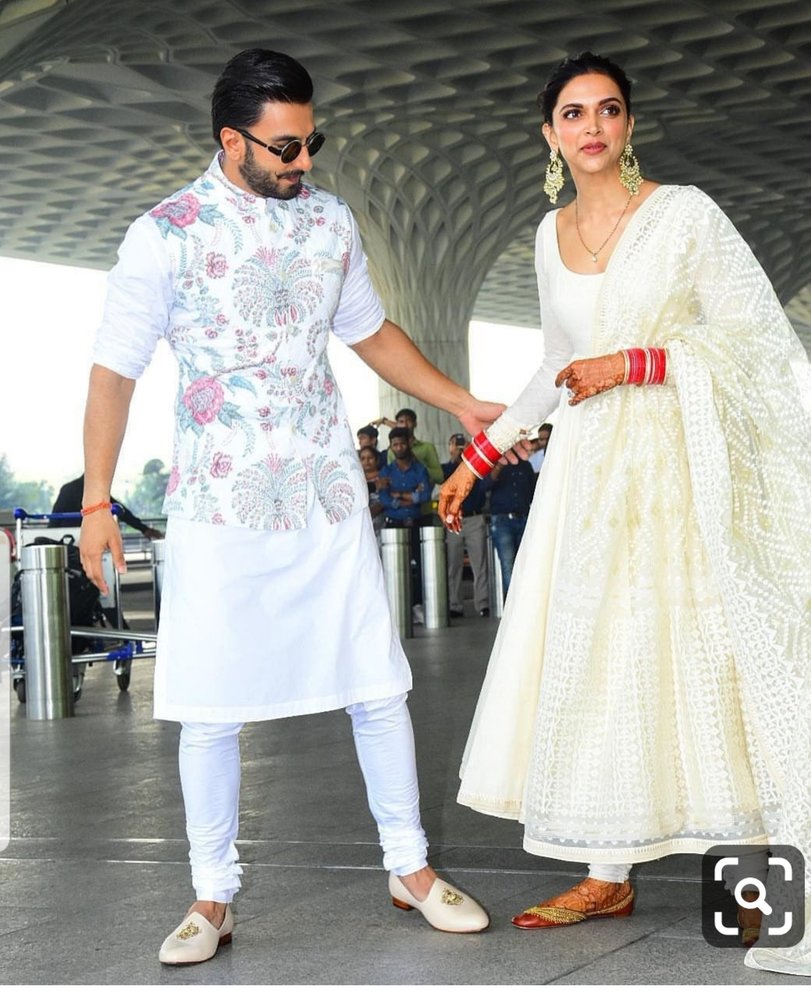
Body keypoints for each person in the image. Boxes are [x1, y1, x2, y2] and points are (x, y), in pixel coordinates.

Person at [78, 48, 496, 965]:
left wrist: (458, 401)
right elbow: (114, 371)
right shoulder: (165, 233)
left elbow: (369, 332)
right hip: (217, 499)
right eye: (286, 147)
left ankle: (409, 868)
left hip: (324, 492)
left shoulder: (330, 221)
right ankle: (211, 897)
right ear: (232, 141)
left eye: (312, 143)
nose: (304, 162)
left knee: (377, 684)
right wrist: (97, 500)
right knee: (209, 706)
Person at [439, 51, 811, 974]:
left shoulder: (683, 215)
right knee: (603, 656)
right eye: (573, 113)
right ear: (549, 134)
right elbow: (554, 363)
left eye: (608, 110)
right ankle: (606, 871)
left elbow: (755, 344)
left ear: (629, 125)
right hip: (591, 482)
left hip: (683, 471)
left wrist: (638, 363)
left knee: (707, 656)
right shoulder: (547, 233)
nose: (592, 127)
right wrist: (478, 458)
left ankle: (751, 885)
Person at [379, 427, 432, 622]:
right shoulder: (386, 471)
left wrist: (398, 495)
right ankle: (396, 608)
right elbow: (384, 498)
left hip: (415, 523)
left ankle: (417, 605)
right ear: (391, 447)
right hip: (393, 525)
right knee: (393, 568)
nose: (399, 448)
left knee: (419, 566)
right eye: (395, 445)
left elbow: (425, 496)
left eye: (402, 443)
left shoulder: (420, 469)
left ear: (408, 444)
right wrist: (411, 495)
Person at [441, 434, 489, 618]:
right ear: (450, 447)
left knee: (479, 563)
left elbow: (485, 484)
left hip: (474, 518)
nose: (460, 448)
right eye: (456, 445)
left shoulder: (476, 466)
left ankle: (483, 603)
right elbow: (443, 481)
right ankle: (455, 604)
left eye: (463, 445)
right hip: (455, 519)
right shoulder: (447, 468)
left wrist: (468, 456)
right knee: (453, 564)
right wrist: (456, 459)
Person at [52, 473, 164, 538]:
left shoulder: (68, 489)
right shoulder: (94, 492)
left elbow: (54, 519)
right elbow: (122, 511)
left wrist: (50, 537)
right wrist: (143, 529)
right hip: (87, 538)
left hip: (68, 538)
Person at [486, 454, 536, 596]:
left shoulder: (526, 466)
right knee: (508, 564)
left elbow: (533, 492)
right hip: (502, 520)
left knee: (526, 563)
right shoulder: (495, 464)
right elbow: (484, 486)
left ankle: (523, 600)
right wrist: (498, 467)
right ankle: (513, 603)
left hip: (523, 518)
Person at [382, 408, 444, 486]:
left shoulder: (427, 447)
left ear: (415, 423)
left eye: (408, 421)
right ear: (397, 425)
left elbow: (439, 477)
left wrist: (418, 464)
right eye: (401, 422)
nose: (405, 425)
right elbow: (391, 478)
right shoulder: (392, 451)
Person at [359, 444, 387, 534]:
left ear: (377, 460)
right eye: (363, 458)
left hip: (381, 520)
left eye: (370, 458)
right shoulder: (357, 480)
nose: (366, 461)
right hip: (362, 522)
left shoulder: (384, 477)